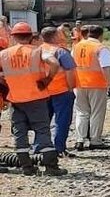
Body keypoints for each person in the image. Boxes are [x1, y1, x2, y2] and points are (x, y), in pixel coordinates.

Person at [0, 22, 65, 175]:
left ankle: (26, 167)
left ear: (13, 37)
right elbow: (54, 63)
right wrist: (47, 80)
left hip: (16, 100)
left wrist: (5, 80)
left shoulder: (4, 54)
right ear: (30, 36)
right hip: (36, 98)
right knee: (42, 130)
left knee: (20, 132)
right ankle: (51, 166)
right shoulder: (37, 51)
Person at [72, 25, 110, 151]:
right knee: (96, 112)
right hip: (97, 84)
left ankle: (80, 139)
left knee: (81, 112)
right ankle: (95, 140)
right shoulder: (101, 48)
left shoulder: (77, 46)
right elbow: (105, 67)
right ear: (101, 35)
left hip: (79, 84)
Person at [40, 27, 77, 156]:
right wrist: (71, 88)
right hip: (61, 91)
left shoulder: (37, 50)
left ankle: (41, 147)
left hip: (42, 92)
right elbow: (70, 71)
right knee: (62, 121)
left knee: (42, 122)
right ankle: (59, 148)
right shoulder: (60, 52)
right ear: (55, 37)